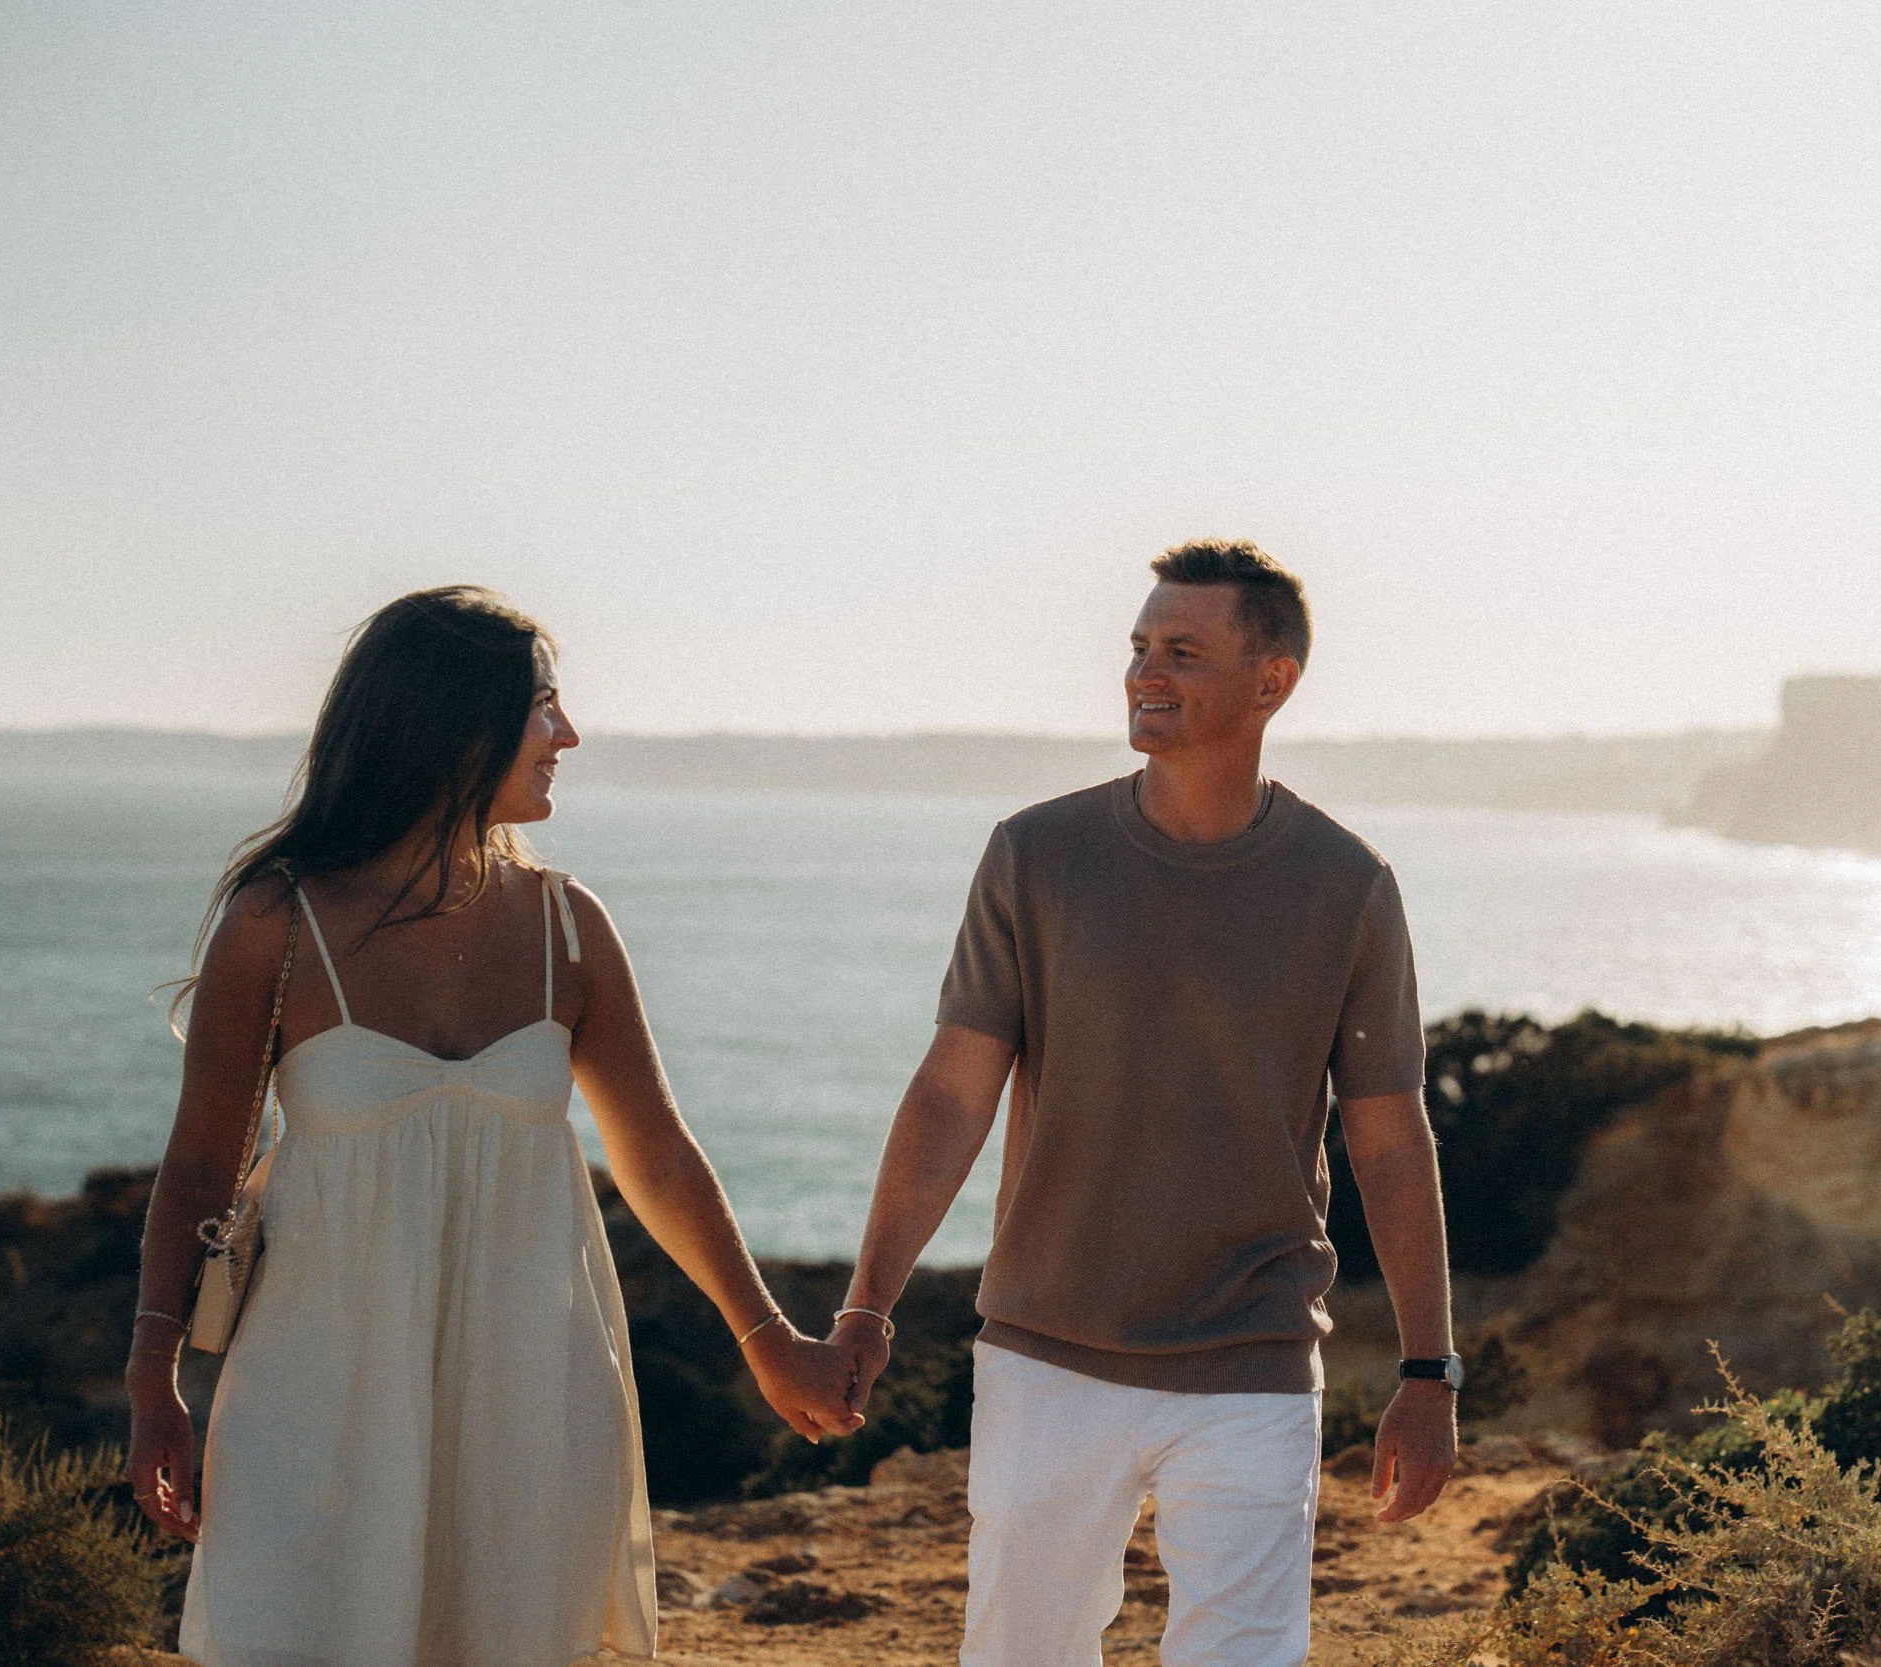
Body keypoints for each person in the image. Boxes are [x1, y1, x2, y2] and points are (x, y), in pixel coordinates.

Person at [125, 586, 860, 1667]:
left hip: (530, 1389)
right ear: (454, 723)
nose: (568, 735)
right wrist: (155, 1385)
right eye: (545, 708)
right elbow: (196, 1169)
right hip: (315, 1395)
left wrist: (767, 1338)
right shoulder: (278, 920)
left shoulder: (571, 925)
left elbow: (654, 1150)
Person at [831, 542, 1460, 1667]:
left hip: (1254, 1355)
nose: (1143, 673)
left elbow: (1388, 1134)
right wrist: (868, 1304)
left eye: (1181, 651)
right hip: (1044, 1352)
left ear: (1272, 680)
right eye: (1137, 647)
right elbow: (950, 1095)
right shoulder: (1036, 853)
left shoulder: (1344, 883)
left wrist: (1428, 1370)